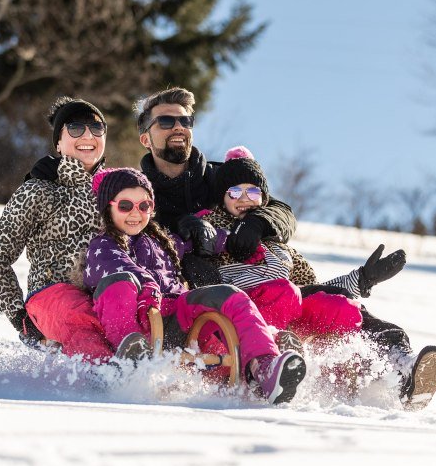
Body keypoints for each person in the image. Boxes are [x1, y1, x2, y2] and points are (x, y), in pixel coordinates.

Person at [202, 146, 436, 410]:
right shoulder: (211, 234)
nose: (244, 198)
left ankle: (402, 369)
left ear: (263, 198)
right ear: (222, 197)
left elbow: (314, 290)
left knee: (339, 306)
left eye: (252, 191)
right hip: (245, 319)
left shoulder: (280, 247)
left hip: (292, 311)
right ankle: (267, 365)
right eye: (234, 191)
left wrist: (362, 279)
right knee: (282, 292)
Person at [82, 167, 306, 404]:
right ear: (108, 207)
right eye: (125, 206)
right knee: (118, 284)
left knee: (230, 296)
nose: (135, 213)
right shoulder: (102, 246)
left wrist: (219, 238)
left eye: (144, 206)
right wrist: (149, 293)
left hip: (175, 316)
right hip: (138, 320)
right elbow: (127, 270)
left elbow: (198, 242)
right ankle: (130, 359)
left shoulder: (160, 241)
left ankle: (264, 366)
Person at [0, 97, 115, 361]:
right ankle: (107, 383)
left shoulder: (118, 192)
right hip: (54, 299)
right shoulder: (39, 190)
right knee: (80, 317)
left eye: (97, 128)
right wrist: (21, 319)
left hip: (105, 297)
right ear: (59, 143)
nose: (88, 134)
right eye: (75, 128)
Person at [133, 88, 297, 282]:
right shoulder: (137, 191)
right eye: (166, 122)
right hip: (180, 293)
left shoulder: (221, 175)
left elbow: (282, 211)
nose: (178, 127)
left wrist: (256, 223)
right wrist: (177, 225)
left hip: (253, 279)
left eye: (185, 121)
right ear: (146, 140)